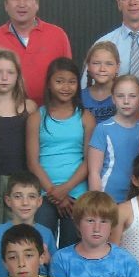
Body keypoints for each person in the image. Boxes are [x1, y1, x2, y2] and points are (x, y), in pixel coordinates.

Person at [26, 57, 94, 249]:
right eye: (59, 81)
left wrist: (65, 189)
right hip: (44, 193)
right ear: (49, 83)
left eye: (72, 82)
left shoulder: (86, 118)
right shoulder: (36, 118)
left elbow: (89, 162)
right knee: (41, 245)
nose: (66, 87)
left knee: (71, 248)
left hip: (76, 195)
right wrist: (54, 192)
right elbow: (32, 162)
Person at [0, 0, 72, 103]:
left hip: (49, 113)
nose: (21, 4)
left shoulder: (58, 35)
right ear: (6, 5)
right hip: (6, 115)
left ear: (37, 4)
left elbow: (68, 78)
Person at [0, 48, 37, 225]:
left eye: (10, 72)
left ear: (17, 76)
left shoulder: (29, 107)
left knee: (20, 227)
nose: (4, 78)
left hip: (21, 179)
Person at [88, 74, 139, 203]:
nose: (126, 101)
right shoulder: (103, 128)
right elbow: (94, 172)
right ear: (113, 98)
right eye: (120, 96)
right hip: (108, 198)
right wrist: (97, 203)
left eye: (132, 96)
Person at [81, 40, 120, 123]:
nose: (102, 69)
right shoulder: (79, 97)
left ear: (117, 67)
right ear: (88, 66)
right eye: (96, 63)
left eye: (109, 64)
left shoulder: (124, 96)